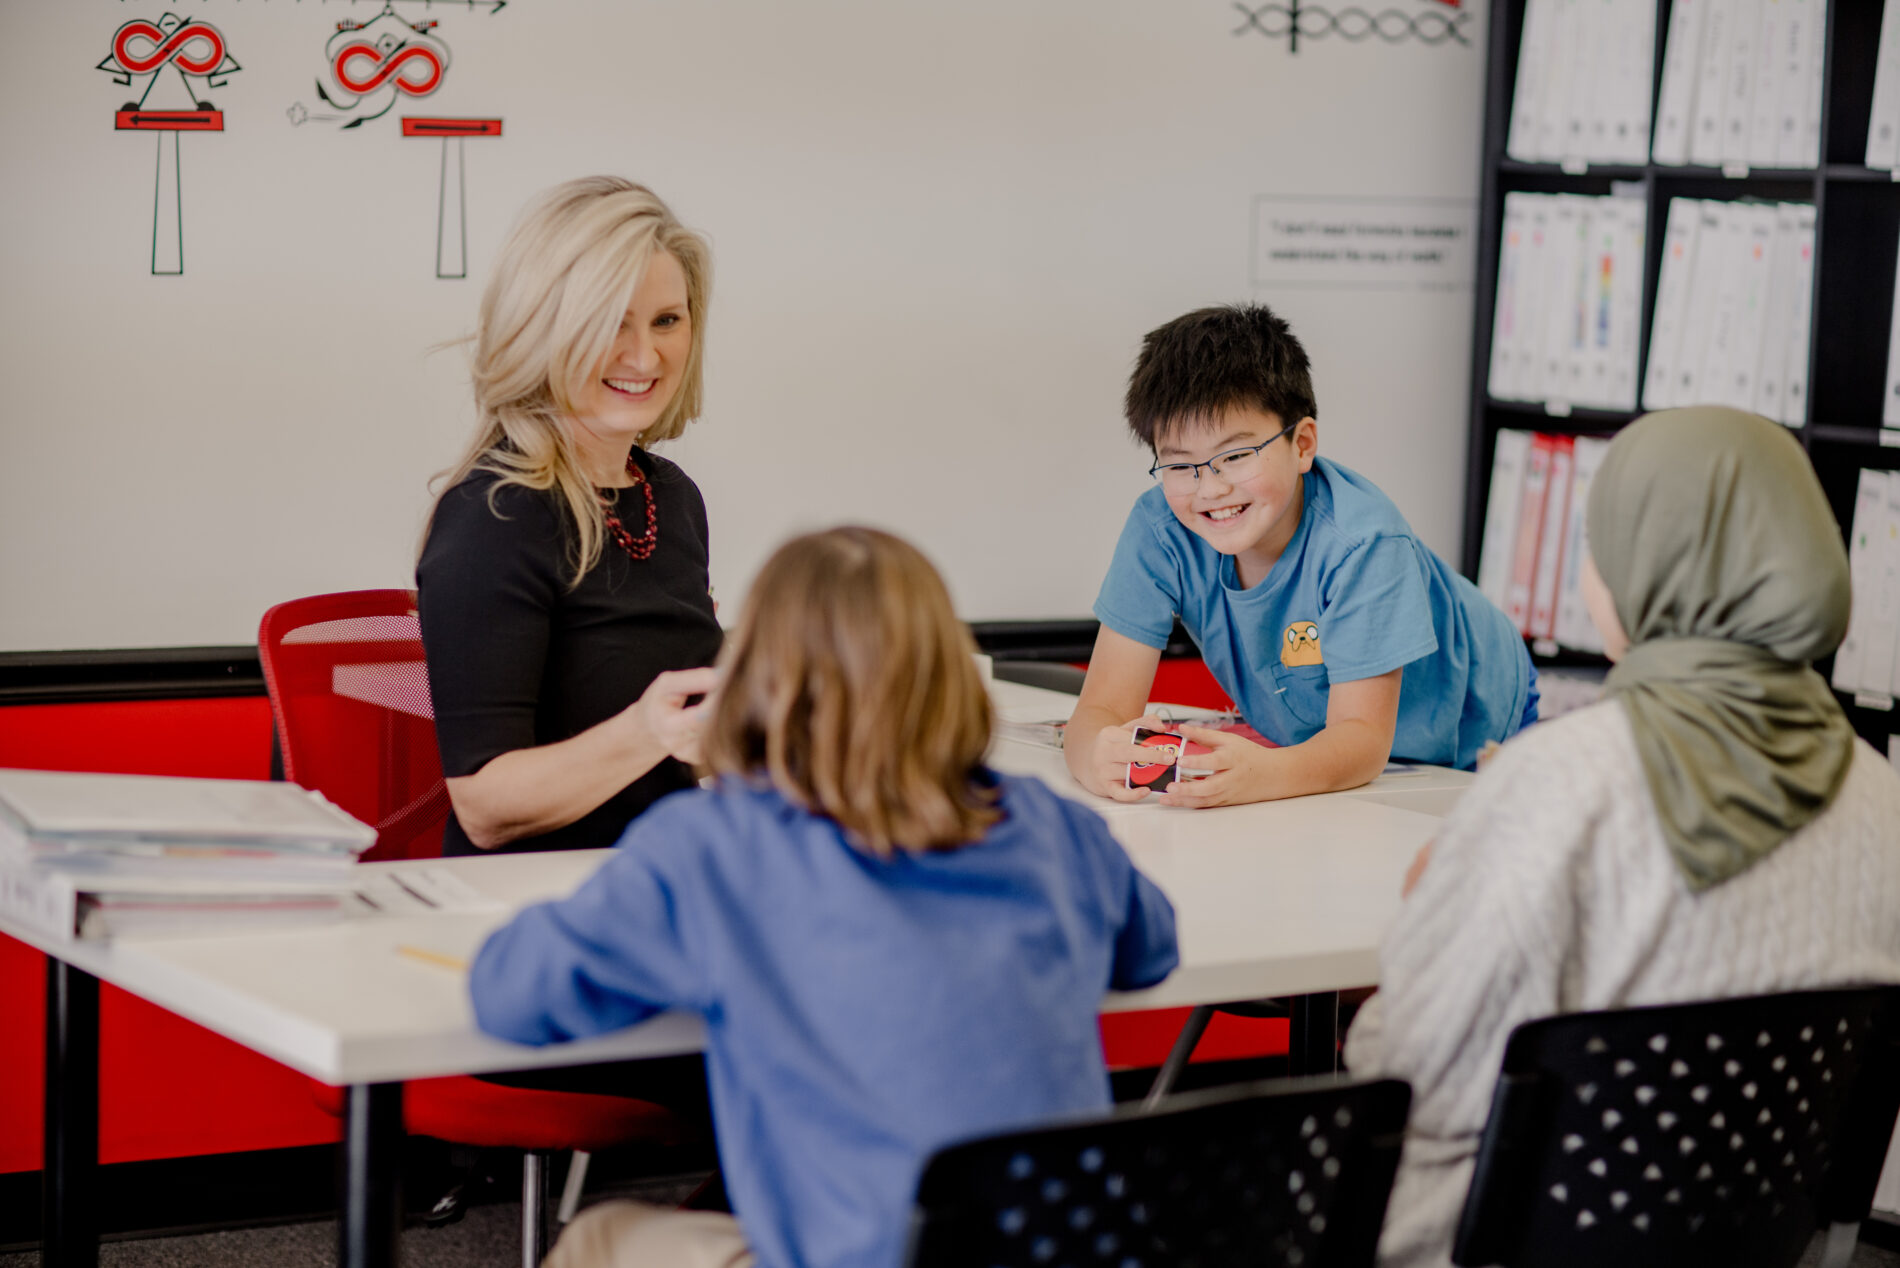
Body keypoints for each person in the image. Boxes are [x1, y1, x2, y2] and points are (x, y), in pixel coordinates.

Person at [469, 527, 1180, 1268]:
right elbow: (1149, 950)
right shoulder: (1044, 820)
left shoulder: (715, 844)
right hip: (1069, 1252)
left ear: (753, 677)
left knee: (600, 1238)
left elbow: (512, 995)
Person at [1342, 406, 1900, 1268]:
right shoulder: (1882, 795)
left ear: (1646, 568)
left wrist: (1432, 912)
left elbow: (1407, 1077)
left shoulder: (1558, 782)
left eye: (1601, 543)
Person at [1066, 303, 1534, 808]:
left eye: (1237, 455)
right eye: (1181, 465)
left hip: (1476, 725)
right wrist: (1097, 755)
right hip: (1320, 744)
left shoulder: (1364, 543)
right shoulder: (1160, 529)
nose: (1211, 489)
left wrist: (1264, 773)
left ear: (1303, 444)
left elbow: (1361, 740)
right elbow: (1101, 709)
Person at [417, 175, 722, 857]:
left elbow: (685, 754)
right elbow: (485, 809)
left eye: (666, 321)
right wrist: (649, 730)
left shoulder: (668, 496)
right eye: (611, 322)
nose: (645, 357)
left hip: (657, 881)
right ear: (544, 329)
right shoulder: (496, 516)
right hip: (537, 909)